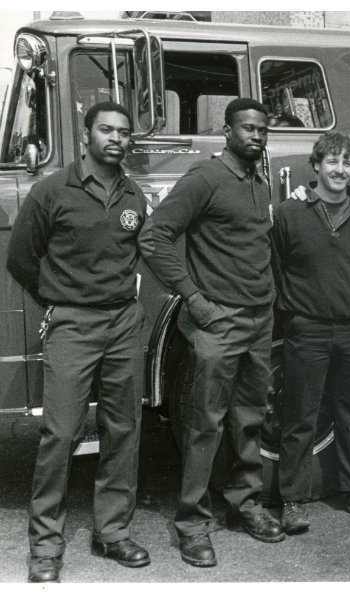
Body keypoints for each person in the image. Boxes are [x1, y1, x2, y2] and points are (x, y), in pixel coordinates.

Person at [7, 101, 150, 583]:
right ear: (86, 134)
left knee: (123, 429)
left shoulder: (134, 196)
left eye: (123, 132)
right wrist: (59, 299)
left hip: (123, 326)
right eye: (106, 129)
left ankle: (112, 532)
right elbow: (21, 258)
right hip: (73, 326)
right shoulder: (52, 191)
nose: (116, 138)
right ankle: (46, 545)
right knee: (61, 434)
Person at [139, 97, 284, 568]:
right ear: (226, 131)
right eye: (247, 128)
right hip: (217, 321)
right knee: (204, 425)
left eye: (262, 129)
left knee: (248, 419)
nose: (256, 136)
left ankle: (245, 505)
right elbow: (153, 237)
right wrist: (193, 299)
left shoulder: (260, 183)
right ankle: (192, 524)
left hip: (258, 321)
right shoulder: (204, 179)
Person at [272, 132, 350, 530]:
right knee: (300, 415)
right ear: (316, 165)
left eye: (347, 163)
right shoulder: (289, 212)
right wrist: (298, 316)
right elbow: (278, 268)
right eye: (332, 161)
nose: (339, 170)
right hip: (308, 330)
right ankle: (293, 500)